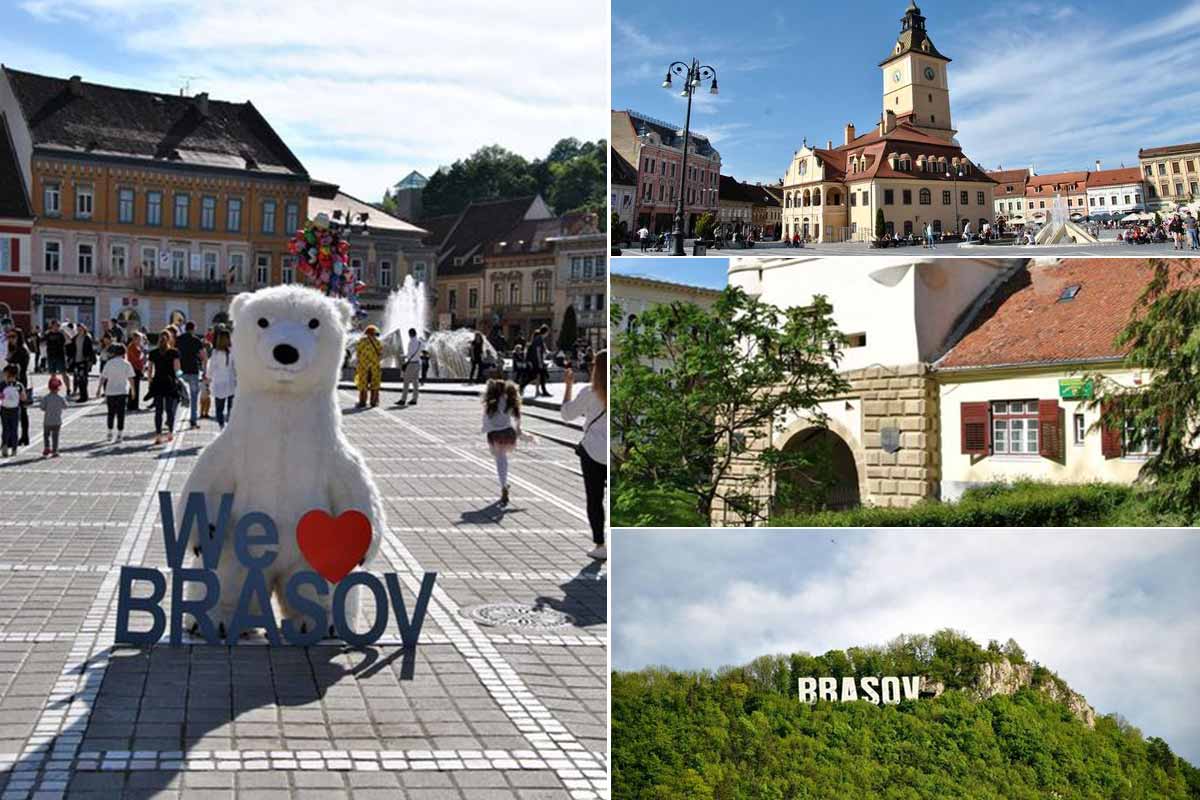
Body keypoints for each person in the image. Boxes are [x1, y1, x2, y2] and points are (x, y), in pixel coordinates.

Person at [561, 351, 607, 561]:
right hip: (614, 453)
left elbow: (567, 415)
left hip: (591, 452)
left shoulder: (589, 392)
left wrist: (568, 385)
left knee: (595, 499)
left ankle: (600, 544)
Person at [480, 376, 533, 506]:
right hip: (508, 434)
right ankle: (504, 485)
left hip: (495, 435)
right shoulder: (510, 401)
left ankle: (503, 484)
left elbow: (486, 421)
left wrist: (486, 430)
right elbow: (517, 422)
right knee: (503, 460)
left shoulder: (491, 403)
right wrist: (522, 434)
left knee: (500, 461)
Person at [146, 329, 182, 445]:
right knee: (170, 410)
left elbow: (150, 370)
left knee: (158, 411)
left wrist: (150, 382)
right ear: (170, 339)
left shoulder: (153, 353)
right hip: (170, 383)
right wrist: (180, 379)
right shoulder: (174, 352)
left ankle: (158, 435)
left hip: (157, 383)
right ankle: (170, 433)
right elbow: (177, 370)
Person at [98, 343, 135, 442]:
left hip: (110, 391)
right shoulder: (127, 364)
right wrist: (133, 390)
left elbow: (103, 378)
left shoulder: (109, 363)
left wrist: (98, 389)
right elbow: (131, 378)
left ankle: (109, 432)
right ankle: (119, 434)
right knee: (121, 414)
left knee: (110, 413)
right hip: (122, 391)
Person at [176, 321, 206, 429]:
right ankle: (193, 421)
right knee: (194, 397)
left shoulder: (178, 339)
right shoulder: (196, 340)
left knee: (178, 397)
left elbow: (175, 355)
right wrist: (204, 368)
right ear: (193, 329)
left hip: (181, 371)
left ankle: (172, 420)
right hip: (193, 370)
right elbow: (203, 356)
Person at [206, 326, 236, 429]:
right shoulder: (233, 351)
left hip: (219, 382)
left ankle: (221, 426)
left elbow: (211, 367)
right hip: (231, 382)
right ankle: (230, 426)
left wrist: (208, 378)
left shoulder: (215, 352)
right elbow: (236, 367)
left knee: (219, 408)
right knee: (231, 407)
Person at [355, 325, 383, 408]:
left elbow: (358, 353)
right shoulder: (378, 342)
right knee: (375, 384)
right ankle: (373, 402)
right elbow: (381, 354)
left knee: (363, 384)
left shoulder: (361, 341)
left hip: (364, 366)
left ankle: (362, 402)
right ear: (374, 333)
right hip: (374, 366)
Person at [40, 375, 67, 457]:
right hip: (57, 421)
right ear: (59, 388)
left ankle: (47, 447)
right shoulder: (61, 398)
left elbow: (42, 407)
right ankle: (55, 450)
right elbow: (65, 406)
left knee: (46, 435)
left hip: (47, 421)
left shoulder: (46, 398)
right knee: (55, 436)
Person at [0, 365, 25, 457]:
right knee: (14, 429)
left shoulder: (2, 384)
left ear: (8, 374)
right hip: (15, 410)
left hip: (4, 409)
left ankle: (4, 447)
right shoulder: (19, 385)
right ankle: (14, 449)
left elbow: (0, 396)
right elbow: (23, 398)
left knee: (5, 429)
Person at [397, 327, 423, 406]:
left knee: (406, 382)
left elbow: (409, 354)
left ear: (410, 334)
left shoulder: (411, 342)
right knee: (415, 382)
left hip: (411, 364)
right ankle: (414, 399)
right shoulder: (420, 342)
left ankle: (403, 399)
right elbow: (419, 353)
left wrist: (404, 356)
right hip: (418, 363)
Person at [43, 320, 68, 394]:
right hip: (51, 356)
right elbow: (43, 342)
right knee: (53, 374)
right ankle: (54, 388)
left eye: (58, 326)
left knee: (63, 373)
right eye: (55, 325)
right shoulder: (48, 334)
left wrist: (64, 333)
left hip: (60, 356)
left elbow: (66, 342)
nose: (56, 327)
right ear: (52, 326)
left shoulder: (61, 334)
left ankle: (68, 389)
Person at [71, 324, 95, 402]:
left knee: (83, 379)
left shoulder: (87, 338)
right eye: (78, 329)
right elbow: (72, 349)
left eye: (81, 329)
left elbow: (91, 350)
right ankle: (82, 395)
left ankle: (84, 396)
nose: (79, 330)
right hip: (76, 361)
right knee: (78, 378)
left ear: (84, 329)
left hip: (84, 361)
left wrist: (91, 361)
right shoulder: (75, 338)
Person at [529, 325, 551, 398]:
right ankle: (543, 391)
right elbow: (538, 351)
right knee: (542, 375)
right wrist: (540, 362)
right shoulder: (539, 339)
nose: (548, 334)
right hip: (537, 361)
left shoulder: (538, 339)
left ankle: (540, 391)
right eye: (547, 332)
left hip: (536, 361)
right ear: (545, 332)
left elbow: (542, 350)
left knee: (540, 376)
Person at [126, 332, 145, 411]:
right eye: (139, 339)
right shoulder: (132, 347)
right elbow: (136, 358)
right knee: (134, 387)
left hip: (137, 368)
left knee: (135, 387)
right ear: (135, 339)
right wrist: (142, 355)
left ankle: (132, 405)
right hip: (134, 368)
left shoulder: (137, 346)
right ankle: (133, 405)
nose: (141, 340)